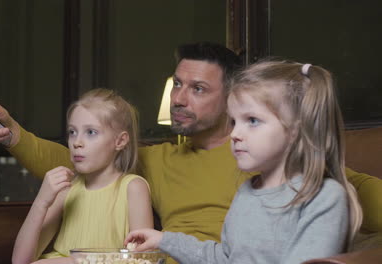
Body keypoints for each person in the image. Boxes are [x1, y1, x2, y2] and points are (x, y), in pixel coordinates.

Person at [0, 43, 381, 263]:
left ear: (231, 96)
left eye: (197, 89)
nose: (179, 98)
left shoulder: (293, 170)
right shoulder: (157, 160)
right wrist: (14, 134)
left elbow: (345, 195)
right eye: (177, 84)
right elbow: (80, 161)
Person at [124, 60, 363, 264]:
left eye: (252, 120)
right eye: (234, 122)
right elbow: (225, 258)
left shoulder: (324, 196)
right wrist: (164, 240)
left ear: (297, 130)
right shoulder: (248, 192)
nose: (235, 134)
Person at [11, 89, 153, 264]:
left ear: (120, 141)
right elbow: (20, 261)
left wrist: (76, 261)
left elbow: (143, 260)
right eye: (72, 132)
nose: (77, 142)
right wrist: (41, 202)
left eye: (91, 132)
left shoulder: (133, 188)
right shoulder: (67, 189)